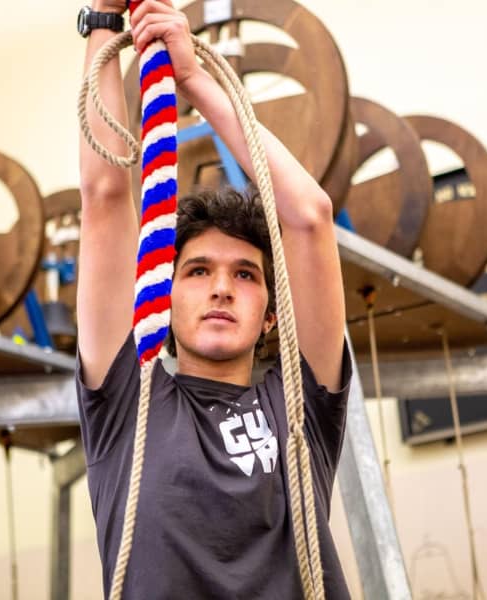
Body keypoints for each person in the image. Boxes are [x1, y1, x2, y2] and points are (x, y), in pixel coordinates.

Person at [76, 1, 352, 597]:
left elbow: (308, 216)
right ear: (162, 298)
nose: (223, 287)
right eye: (198, 270)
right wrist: (101, 17)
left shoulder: (300, 405)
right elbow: (103, 198)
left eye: (247, 275)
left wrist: (193, 79)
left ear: (272, 312)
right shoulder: (126, 404)